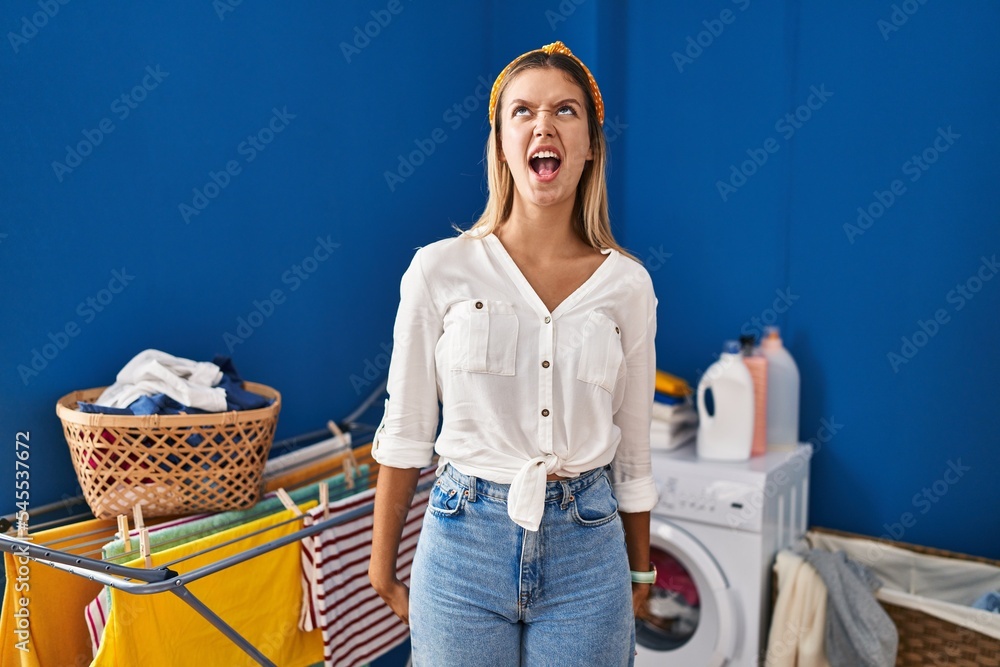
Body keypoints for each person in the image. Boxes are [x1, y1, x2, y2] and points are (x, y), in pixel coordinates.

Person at [369, 41, 659, 666]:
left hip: (589, 548)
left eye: (565, 111)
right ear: (502, 142)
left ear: (590, 146)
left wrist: (640, 571)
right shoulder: (438, 270)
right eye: (522, 112)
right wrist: (379, 565)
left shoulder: (627, 285)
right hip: (461, 541)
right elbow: (406, 429)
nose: (543, 125)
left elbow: (633, 450)